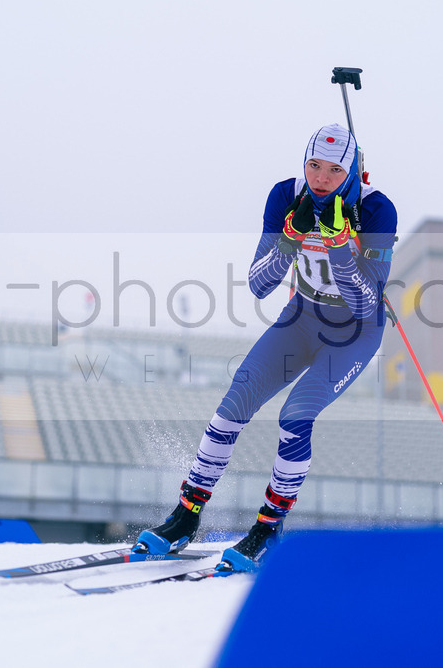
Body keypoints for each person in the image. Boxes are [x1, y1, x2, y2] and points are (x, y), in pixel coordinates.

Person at [133, 123, 398, 572]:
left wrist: (337, 247)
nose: (320, 178)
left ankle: (267, 528)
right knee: (229, 409)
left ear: (352, 172)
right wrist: (289, 243)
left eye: (334, 170)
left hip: (353, 334)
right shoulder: (286, 196)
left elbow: (365, 303)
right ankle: (185, 516)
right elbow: (259, 284)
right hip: (300, 320)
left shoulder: (376, 211)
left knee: (295, 416)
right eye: (314, 165)